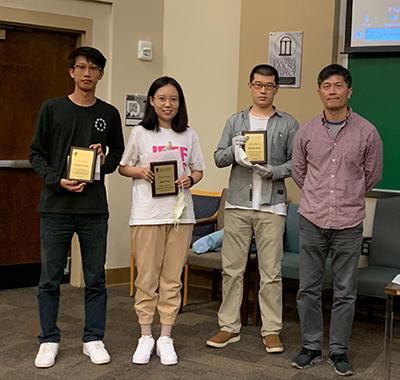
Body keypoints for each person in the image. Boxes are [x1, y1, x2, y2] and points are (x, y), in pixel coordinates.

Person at [29, 46, 124, 368]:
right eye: (81, 67)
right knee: (50, 278)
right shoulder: (52, 109)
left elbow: (117, 156)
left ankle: (93, 338)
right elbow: (35, 154)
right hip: (55, 206)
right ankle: (48, 339)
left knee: (96, 278)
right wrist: (57, 180)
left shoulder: (109, 114)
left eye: (94, 68)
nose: (87, 73)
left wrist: (103, 159)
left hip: (94, 208)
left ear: (100, 74)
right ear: (71, 72)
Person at [290, 64, 383, 376]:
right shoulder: (306, 131)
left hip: (349, 222)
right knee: (308, 288)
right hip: (312, 219)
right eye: (326, 86)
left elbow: (372, 175)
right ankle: (312, 346)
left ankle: (339, 351)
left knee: (345, 291)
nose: (332, 91)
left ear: (349, 91)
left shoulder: (367, 132)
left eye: (338, 85)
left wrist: (346, 195)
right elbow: (299, 172)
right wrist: (320, 196)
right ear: (319, 92)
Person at [206, 64, 299, 353]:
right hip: (237, 204)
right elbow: (218, 158)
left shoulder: (288, 123)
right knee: (232, 269)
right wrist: (234, 150)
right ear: (250, 86)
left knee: (270, 272)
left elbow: (297, 164)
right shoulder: (235, 121)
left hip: (272, 206)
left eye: (269, 85)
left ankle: (271, 330)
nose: (263, 90)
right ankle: (228, 327)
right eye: (258, 84)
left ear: (275, 89)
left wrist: (274, 170)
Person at [119, 76, 205, 366]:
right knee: (146, 278)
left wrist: (190, 178)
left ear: (180, 103)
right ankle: (145, 335)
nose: (168, 104)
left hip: (181, 215)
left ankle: (165, 336)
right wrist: (141, 171)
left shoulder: (189, 134)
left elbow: (198, 170)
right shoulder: (140, 132)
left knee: (172, 279)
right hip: (147, 215)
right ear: (152, 102)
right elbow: (122, 167)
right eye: (162, 98)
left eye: (174, 99)